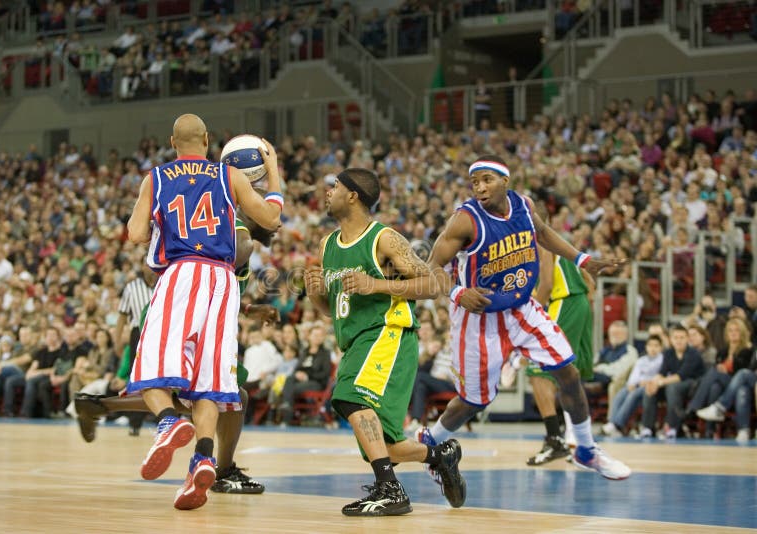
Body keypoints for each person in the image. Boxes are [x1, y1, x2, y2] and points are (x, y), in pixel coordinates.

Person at [418, 154, 631, 480]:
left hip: (520, 308)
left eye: (487, 179)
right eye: (474, 182)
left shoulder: (523, 205)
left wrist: (582, 259)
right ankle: (432, 441)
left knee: (568, 373)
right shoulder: (464, 220)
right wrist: (458, 292)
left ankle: (586, 449)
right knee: (473, 402)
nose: (480, 187)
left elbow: (543, 233)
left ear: (506, 180)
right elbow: (431, 267)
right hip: (478, 317)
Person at [125, 114, 282, 510]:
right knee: (210, 380)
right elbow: (271, 219)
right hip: (223, 281)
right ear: (208, 140)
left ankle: (168, 421)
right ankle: (203, 458)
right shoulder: (230, 177)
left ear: (172, 142)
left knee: (150, 370)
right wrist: (274, 171)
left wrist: (147, 211)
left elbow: (136, 234)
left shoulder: (155, 178)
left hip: (180, 274)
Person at [74, 200, 281, 496]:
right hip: (179, 312)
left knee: (211, 396)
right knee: (219, 395)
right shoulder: (240, 236)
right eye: (272, 214)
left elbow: (211, 289)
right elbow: (207, 282)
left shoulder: (230, 234)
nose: (278, 222)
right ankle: (220, 468)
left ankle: (97, 406)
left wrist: (248, 308)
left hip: (181, 309)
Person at [303, 167, 466, 517]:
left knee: (349, 398)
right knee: (386, 445)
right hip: (354, 341)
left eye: (334, 187)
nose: (327, 192)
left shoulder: (384, 239)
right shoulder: (327, 244)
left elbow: (432, 285)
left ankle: (389, 489)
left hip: (387, 333)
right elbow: (331, 311)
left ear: (353, 195)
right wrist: (315, 293)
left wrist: (376, 285)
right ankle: (441, 456)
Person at [524, 241, 594, 466]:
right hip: (581, 303)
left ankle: (555, 439)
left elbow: (546, 285)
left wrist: (530, 317)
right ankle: (579, 443)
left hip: (563, 303)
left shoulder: (540, 243)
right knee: (569, 375)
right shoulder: (563, 244)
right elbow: (590, 282)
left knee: (537, 370)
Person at [638, 325, 705, 439]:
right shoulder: (668, 353)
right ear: (671, 339)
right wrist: (653, 382)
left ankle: (672, 427)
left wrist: (659, 383)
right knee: (650, 389)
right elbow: (662, 372)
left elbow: (681, 375)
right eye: (676, 337)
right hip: (673, 384)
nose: (678, 340)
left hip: (693, 385)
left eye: (682, 337)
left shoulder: (694, 354)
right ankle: (647, 428)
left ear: (687, 339)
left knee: (672, 387)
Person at [601, 335, 664, 437]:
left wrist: (643, 382)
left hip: (652, 387)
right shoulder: (641, 360)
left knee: (633, 394)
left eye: (656, 346)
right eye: (650, 345)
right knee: (621, 393)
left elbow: (661, 375)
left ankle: (618, 424)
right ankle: (611, 422)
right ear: (646, 347)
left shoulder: (663, 360)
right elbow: (634, 376)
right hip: (638, 385)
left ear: (661, 347)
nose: (653, 348)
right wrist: (632, 384)